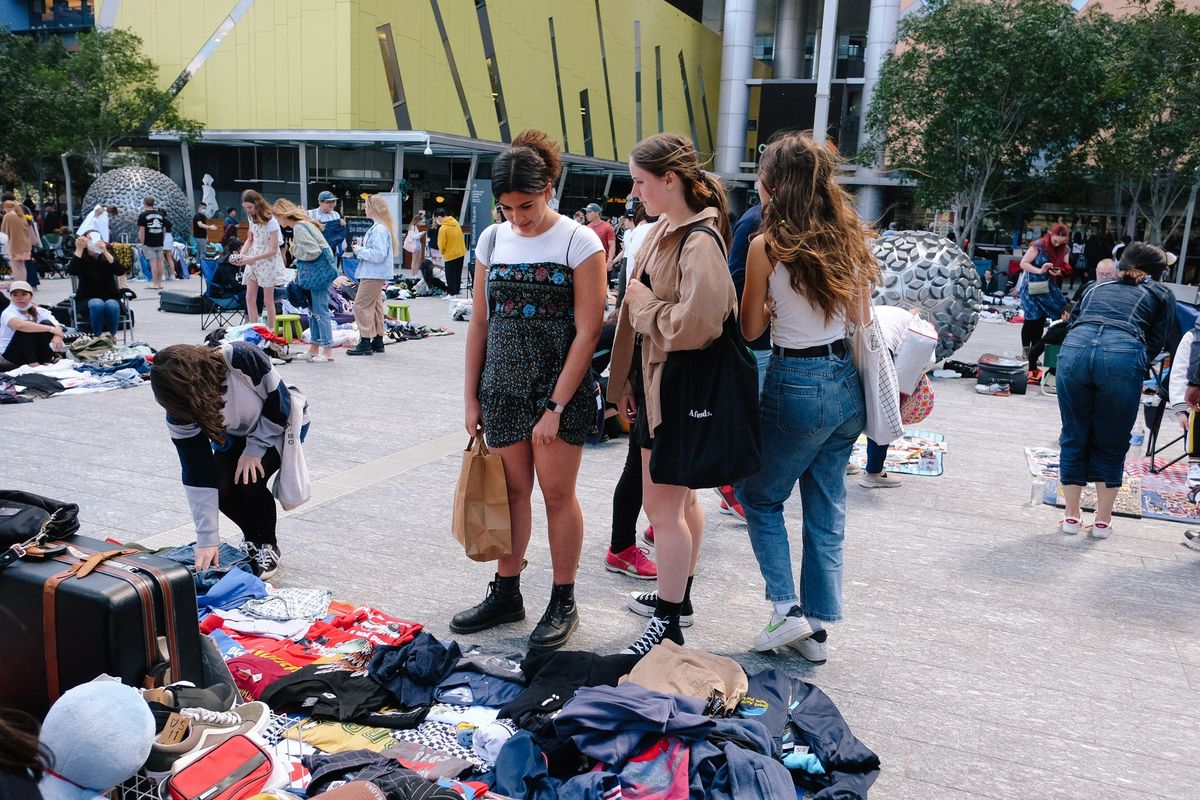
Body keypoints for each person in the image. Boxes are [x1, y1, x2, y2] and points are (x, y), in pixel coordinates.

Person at [453, 129, 606, 652]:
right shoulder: (492, 240)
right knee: (512, 492)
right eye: (507, 207)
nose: (518, 217)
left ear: (549, 189)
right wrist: (471, 396)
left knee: (558, 496)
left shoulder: (578, 240)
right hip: (502, 388)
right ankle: (507, 590)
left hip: (556, 390)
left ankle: (563, 599)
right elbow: (479, 322)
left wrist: (556, 406)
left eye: (527, 204)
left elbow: (589, 331)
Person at [734, 131, 876, 663]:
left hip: (797, 379)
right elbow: (861, 321)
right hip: (846, 383)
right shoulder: (852, 239)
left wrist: (772, 308)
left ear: (774, 185)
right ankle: (816, 629)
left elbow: (750, 329)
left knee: (760, 497)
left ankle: (786, 610)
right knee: (825, 503)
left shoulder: (766, 246)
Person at [607, 132, 736, 656]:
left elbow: (699, 325)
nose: (634, 192)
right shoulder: (671, 229)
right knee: (679, 504)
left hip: (676, 391)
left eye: (640, 182)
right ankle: (675, 601)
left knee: (662, 509)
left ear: (669, 179)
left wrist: (641, 304)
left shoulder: (697, 240)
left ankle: (668, 619)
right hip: (664, 387)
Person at [150, 342, 300, 578]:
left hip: (279, 423)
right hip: (237, 433)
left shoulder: (241, 358)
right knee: (222, 486)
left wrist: (254, 450)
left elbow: (279, 403)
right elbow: (197, 473)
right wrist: (207, 540)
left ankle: (270, 545)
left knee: (249, 481)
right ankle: (252, 539)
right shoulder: (180, 414)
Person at [1057, 243, 1176, 539]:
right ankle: (1102, 521)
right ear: (1157, 272)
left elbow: (1071, 322)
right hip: (1123, 352)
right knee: (1112, 438)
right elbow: (1158, 341)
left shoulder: (1093, 287)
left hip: (1074, 350)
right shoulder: (1161, 293)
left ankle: (1071, 518)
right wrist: (1131, 363)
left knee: (1074, 433)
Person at [274, 199, 336, 363]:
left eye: (278, 218)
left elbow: (313, 252)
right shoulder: (303, 224)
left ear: (283, 215)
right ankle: (314, 348)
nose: (278, 222)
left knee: (320, 312)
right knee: (314, 311)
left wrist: (294, 250)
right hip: (319, 274)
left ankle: (327, 350)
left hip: (317, 276)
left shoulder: (299, 227)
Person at [345, 194, 398, 357]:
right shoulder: (381, 227)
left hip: (373, 273)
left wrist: (359, 250)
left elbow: (378, 254)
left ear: (372, 209)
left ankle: (366, 340)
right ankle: (377, 340)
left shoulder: (379, 229)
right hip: (375, 273)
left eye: (367, 206)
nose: (364, 209)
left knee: (360, 305)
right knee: (375, 306)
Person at [1018, 223, 1071, 370]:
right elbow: (1023, 263)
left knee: (1047, 319)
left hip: (1049, 288)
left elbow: (1067, 266)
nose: (1058, 243)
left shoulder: (1065, 249)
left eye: (1062, 241)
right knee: (1032, 320)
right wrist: (1040, 270)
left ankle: (1035, 353)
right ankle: (1026, 352)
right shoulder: (1038, 245)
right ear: (1050, 234)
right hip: (1032, 288)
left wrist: (1059, 271)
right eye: (1056, 241)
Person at [233, 190, 287, 332]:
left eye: (250, 207)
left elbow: (274, 250)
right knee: (249, 297)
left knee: (268, 300)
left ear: (257, 204)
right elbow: (250, 239)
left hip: (268, 261)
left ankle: (271, 330)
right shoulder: (251, 217)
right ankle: (253, 327)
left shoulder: (271, 221)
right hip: (253, 258)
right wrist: (241, 254)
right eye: (246, 208)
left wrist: (251, 258)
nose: (248, 210)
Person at [68, 232, 125, 336]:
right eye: (90, 239)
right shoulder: (81, 255)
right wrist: (79, 249)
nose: (93, 242)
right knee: (97, 304)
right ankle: (97, 336)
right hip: (87, 297)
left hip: (110, 295)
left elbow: (120, 271)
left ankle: (112, 337)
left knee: (112, 305)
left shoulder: (107, 254)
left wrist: (105, 252)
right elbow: (72, 271)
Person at [0, 281, 63, 368]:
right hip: (11, 356)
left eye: (23, 294)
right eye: (15, 295)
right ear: (11, 297)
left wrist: (57, 336)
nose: (19, 298)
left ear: (31, 296)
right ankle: (33, 364)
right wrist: (51, 329)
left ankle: (45, 360)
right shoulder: (8, 312)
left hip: (34, 352)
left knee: (46, 323)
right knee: (28, 326)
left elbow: (57, 326)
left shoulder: (40, 311)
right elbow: (19, 325)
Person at [137, 196, 167, 290]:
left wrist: (142, 243)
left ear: (144, 203)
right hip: (159, 241)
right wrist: (162, 240)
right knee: (160, 262)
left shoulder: (143, 215)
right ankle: (159, 283)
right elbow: (164, 229)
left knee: (153, 263)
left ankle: (155, 284)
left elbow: (141, 231)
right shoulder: (161, 215)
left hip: (149, 242)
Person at [435, 208, 467, 296]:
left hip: (450, 254)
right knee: (458, 274)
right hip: (460, 252)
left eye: (436, 219)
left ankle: (452, 293)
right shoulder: (455, 223)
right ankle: (457, 290)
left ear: (439, 217)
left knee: (450, 275)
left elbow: (442, 243)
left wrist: (442, 251)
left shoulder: (443, 228)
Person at [1, 200, 31, 283]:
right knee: (22, 265)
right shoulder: (21, 215)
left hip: (14, 244)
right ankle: (24, 283)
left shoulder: (8, 216)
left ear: (6, 207)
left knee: (14, 265)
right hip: (25, 244)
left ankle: (18, 283)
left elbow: (3, 229)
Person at [584, 202, 617, 273]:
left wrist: (610, 261)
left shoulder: (607, 227)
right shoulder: (587, 228)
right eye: (586, 212)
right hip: (590, 262)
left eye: (589, 212)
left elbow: (612, 246)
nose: (586, 214)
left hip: (604, 262)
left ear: (597, 213)